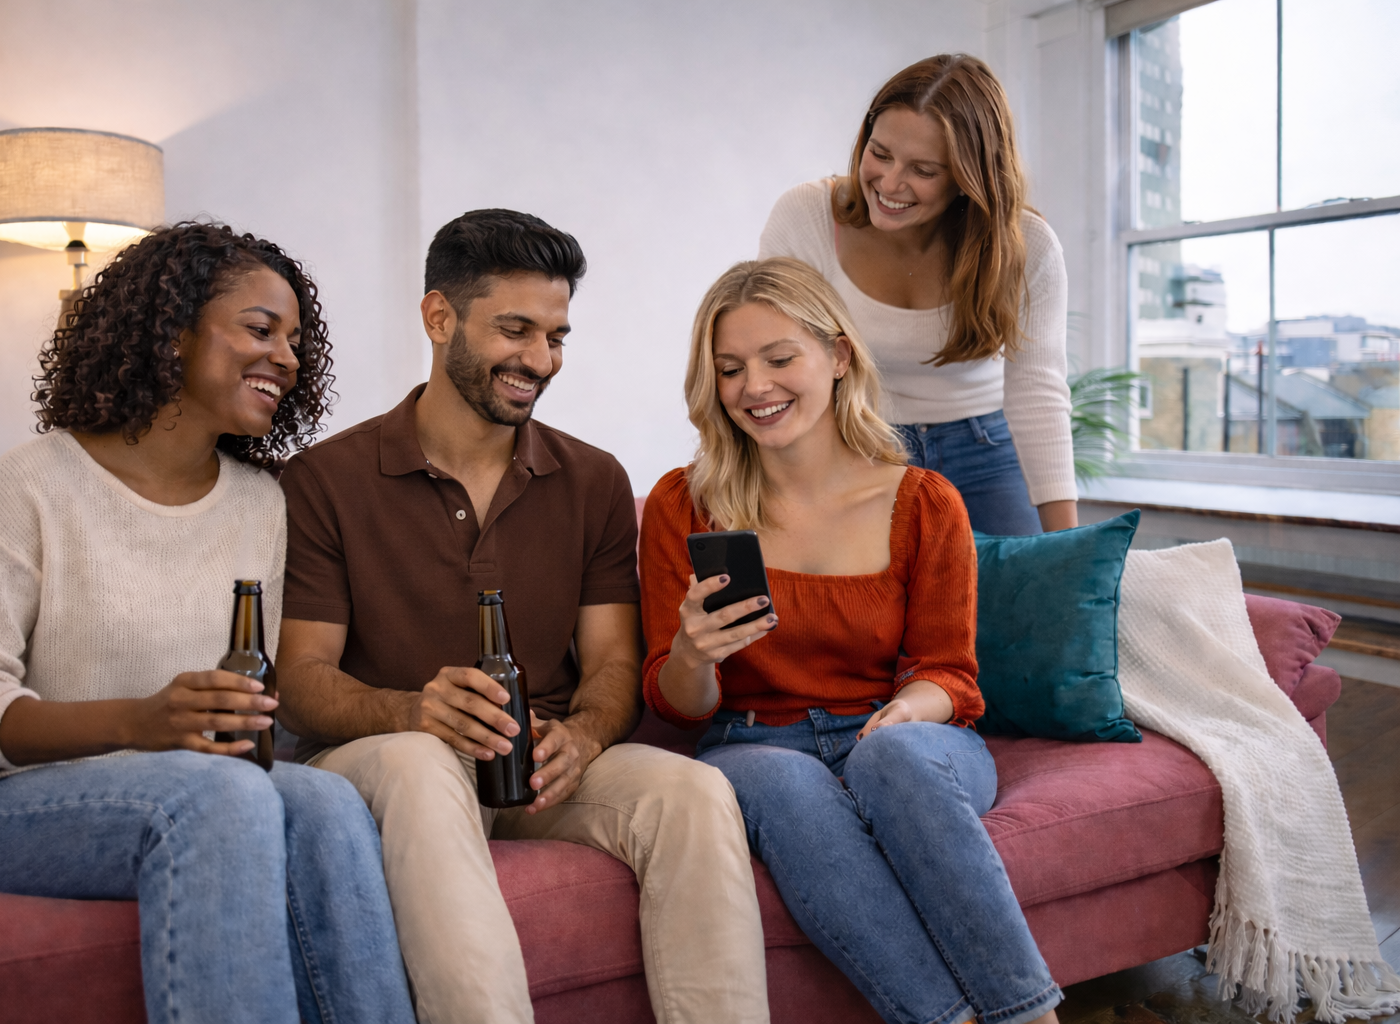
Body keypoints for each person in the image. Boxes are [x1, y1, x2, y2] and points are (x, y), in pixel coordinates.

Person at [0, 224, 416, 1024]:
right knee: (222, 797)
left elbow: (264, 711)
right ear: (172, 332)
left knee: (326, 803)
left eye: (295, 341)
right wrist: (139, 724)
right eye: (261, 329)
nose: (287, 358)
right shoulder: (31, 484)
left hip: (196, 787)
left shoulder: (262, 505)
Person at [274, 209, 769, 1024]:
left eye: (556, 336)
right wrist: (414, 712)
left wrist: (585, 736)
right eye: (515, 330)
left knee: (693, 791)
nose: (540, 360)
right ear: (440, 318)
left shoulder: (593, 481)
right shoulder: (325, 479)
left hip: (534, 765)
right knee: (422, 764)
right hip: (386, 760)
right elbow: (299, 681)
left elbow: (614, 663)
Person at [640, 257, 1063, 1024]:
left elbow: (948, 673)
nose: (754, 387)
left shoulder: (924, 501)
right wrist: (693, 655)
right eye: (730, 369)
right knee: (785, 783)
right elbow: (678, 706)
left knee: (888, 755)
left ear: (838, 356)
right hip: (752, 743)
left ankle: (1033, 1016)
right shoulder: (683, 503)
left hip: (897, 736)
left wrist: (905, 711)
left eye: (779, 359)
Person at [759, 53, 1074, 536]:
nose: (889, 183)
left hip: (985, 448)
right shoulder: (806, 217)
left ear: (969, 178)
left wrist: (1068, 548)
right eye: (880, 153)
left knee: (1022, 581)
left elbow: (1039, 392)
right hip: (860, 442)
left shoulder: (1026, 246)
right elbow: (773, 363)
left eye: (923, 170)